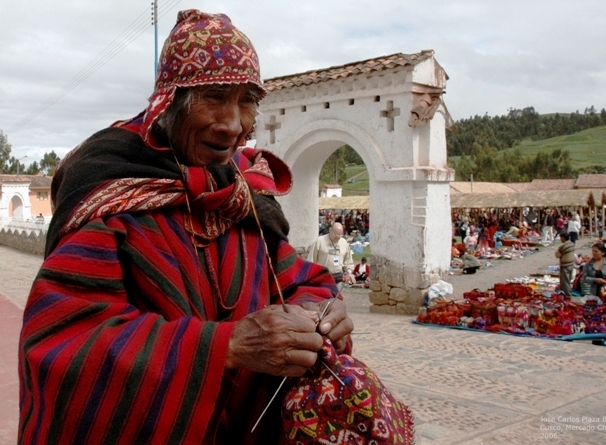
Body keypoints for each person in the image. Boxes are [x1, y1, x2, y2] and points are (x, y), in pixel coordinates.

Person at [18, 11, 355, 444]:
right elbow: (65, 342)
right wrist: (226, 347)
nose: (233, 124)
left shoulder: (241, 198)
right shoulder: (112, 196)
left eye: (247, 100)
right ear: (170, 100)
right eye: (214, 97)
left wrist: (322, 313)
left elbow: (300, 280)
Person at [554, 232, 575, 296]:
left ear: (563, 238)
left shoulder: (563, 246)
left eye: (561, 237)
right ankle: (565, 292)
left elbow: (557, 255)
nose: (560, 239)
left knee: (565, 281)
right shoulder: (572, 244)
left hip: (565, 265)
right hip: (571, 264)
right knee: (568, 280)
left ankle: (567, 295)